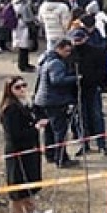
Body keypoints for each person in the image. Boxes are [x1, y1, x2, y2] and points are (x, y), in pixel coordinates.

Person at [0, 76, 53, 213]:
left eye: (24, 85)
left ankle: (32, 212)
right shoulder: (10, 109)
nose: (22, 89)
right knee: (18, 187)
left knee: (29, 182)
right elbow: (14, 134)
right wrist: (35, 128)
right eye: (18, 87)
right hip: (18, 152)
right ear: (10, 90)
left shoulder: (23, 104)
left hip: (29, 151)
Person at [33, 38, 78, 168]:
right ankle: (61, 158)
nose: (68, 53)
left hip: (43, 100)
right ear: (59, 48)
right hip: (55, 101)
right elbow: (57, 80)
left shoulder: (45, 59)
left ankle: (50, 155)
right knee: (60, 131)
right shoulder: (57, 63)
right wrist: (75, 78)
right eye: (66, 51)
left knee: (49, 130)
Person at [70, 27, 107, 156]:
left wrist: (99, 83)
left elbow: (103, 70)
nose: (77, 42)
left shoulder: (96, 52)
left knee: (96, 117)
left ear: (86, 38)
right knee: (81, 119)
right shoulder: (70, 54)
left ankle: (101, 144)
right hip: (77, 91)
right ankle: (84, 144)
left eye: (80, 39)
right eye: (75, 40)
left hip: (93, 89)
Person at [11, 0, 38, 72]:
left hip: (22, 22)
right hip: (22, 23)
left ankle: (25, 63)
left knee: (25, 44)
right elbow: (21, 11)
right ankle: (22, 65)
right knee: (23, 45)